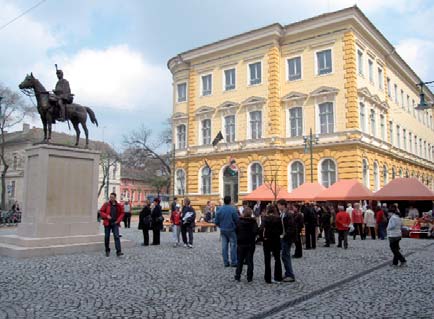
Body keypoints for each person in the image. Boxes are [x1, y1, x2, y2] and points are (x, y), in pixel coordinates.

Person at [261, 205, 283, 284]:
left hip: (267, 240)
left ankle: (268, 278)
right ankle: (278, 276)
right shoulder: (278, 219)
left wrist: (262, 238)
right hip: (276, 240)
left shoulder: (265, 219)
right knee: (277, 259)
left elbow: (261, 229)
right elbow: (281, 230)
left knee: (267, 259)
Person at [234, 207, 258, 282]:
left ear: (243, 213)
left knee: (240, 260)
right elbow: (255, 232)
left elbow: (236, 230)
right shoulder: (253, 222)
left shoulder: (239, 221)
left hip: (241, 243)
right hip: (250, 243)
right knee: (250, 260)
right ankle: (249, 277)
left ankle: (238, 276)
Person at [214, 195, 239, 267]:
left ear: (224, 201)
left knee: (224, 247)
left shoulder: (220, 209)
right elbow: (237, 220)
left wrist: (220, 226)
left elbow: (216, 221)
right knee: (233, 246)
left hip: (223, 230)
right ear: (230, 201)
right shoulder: (233, 209)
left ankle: (226, 262)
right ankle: (234, 262)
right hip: (231, 229)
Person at [99, 192, 124, 257]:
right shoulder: (106, 204)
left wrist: (118, 221)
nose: (111, 198)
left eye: (112, 197)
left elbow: (122, 213)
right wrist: (106, 216)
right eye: (110, 197)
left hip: (115, 223)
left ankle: (118, 251)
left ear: (115, 197)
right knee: (107, 237)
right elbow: (101, 211)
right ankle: (107, 250)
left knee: (116, 236)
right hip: (107, 223)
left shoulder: (118, 205)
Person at [277, 199, 296, 282]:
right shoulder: (282, 214)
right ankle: (287, 273)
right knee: (284, 256)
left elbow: (291, 227)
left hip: (286, 238)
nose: (278, 207)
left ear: (283, 205)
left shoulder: (288, 215)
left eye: (279, 205)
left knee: (285, 256)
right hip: (283, 238)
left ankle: (290, 275)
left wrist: (285, 235)